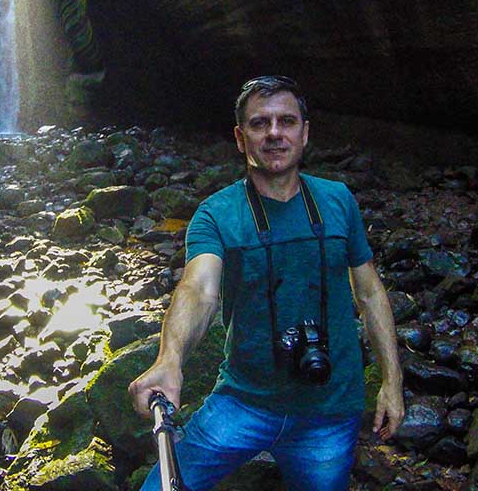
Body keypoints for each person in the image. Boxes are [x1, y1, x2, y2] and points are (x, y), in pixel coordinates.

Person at [128, 75, 405, 491]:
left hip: (330, 409)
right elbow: (199, 290)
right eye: (260, 124)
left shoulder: (338, 200)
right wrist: (170, 359)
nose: (274, 133)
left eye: (286, 122)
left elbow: (369, 291)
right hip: (243, 401)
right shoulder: (216, 213)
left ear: (305, 132)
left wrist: (392, 382)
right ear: (240, 138)